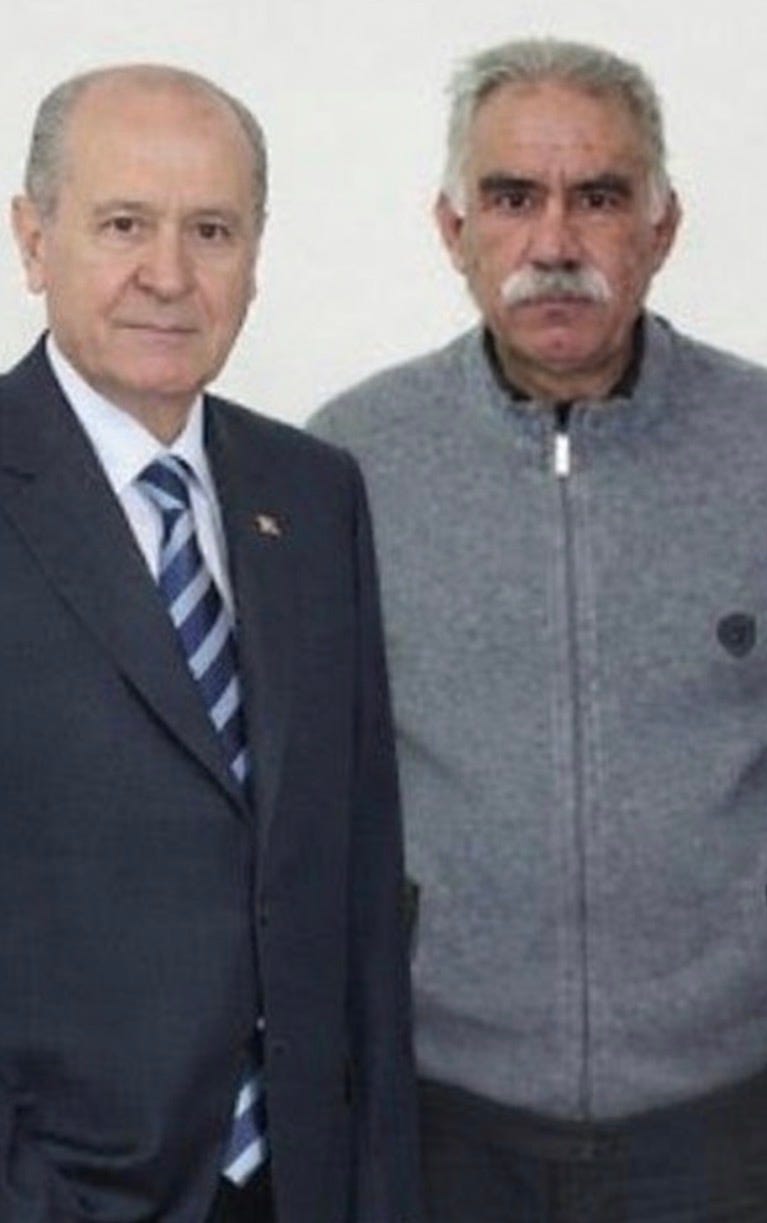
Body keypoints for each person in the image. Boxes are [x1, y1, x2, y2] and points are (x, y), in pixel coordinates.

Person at [309, 37, 767, 1223]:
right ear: (453, 228)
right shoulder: (351, 461)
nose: (556, 242)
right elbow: (302, 792)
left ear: (662, 228)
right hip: (442, 1112)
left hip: (731, 1117)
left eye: (601, 198)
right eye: (513, 197)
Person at [0, 64, 421, 1222]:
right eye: (124, 224)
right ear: (33, 239)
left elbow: (360, 886)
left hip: (299, 1182)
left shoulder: (314, 492)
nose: (170, 275)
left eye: (213, 230)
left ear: (255, 256)